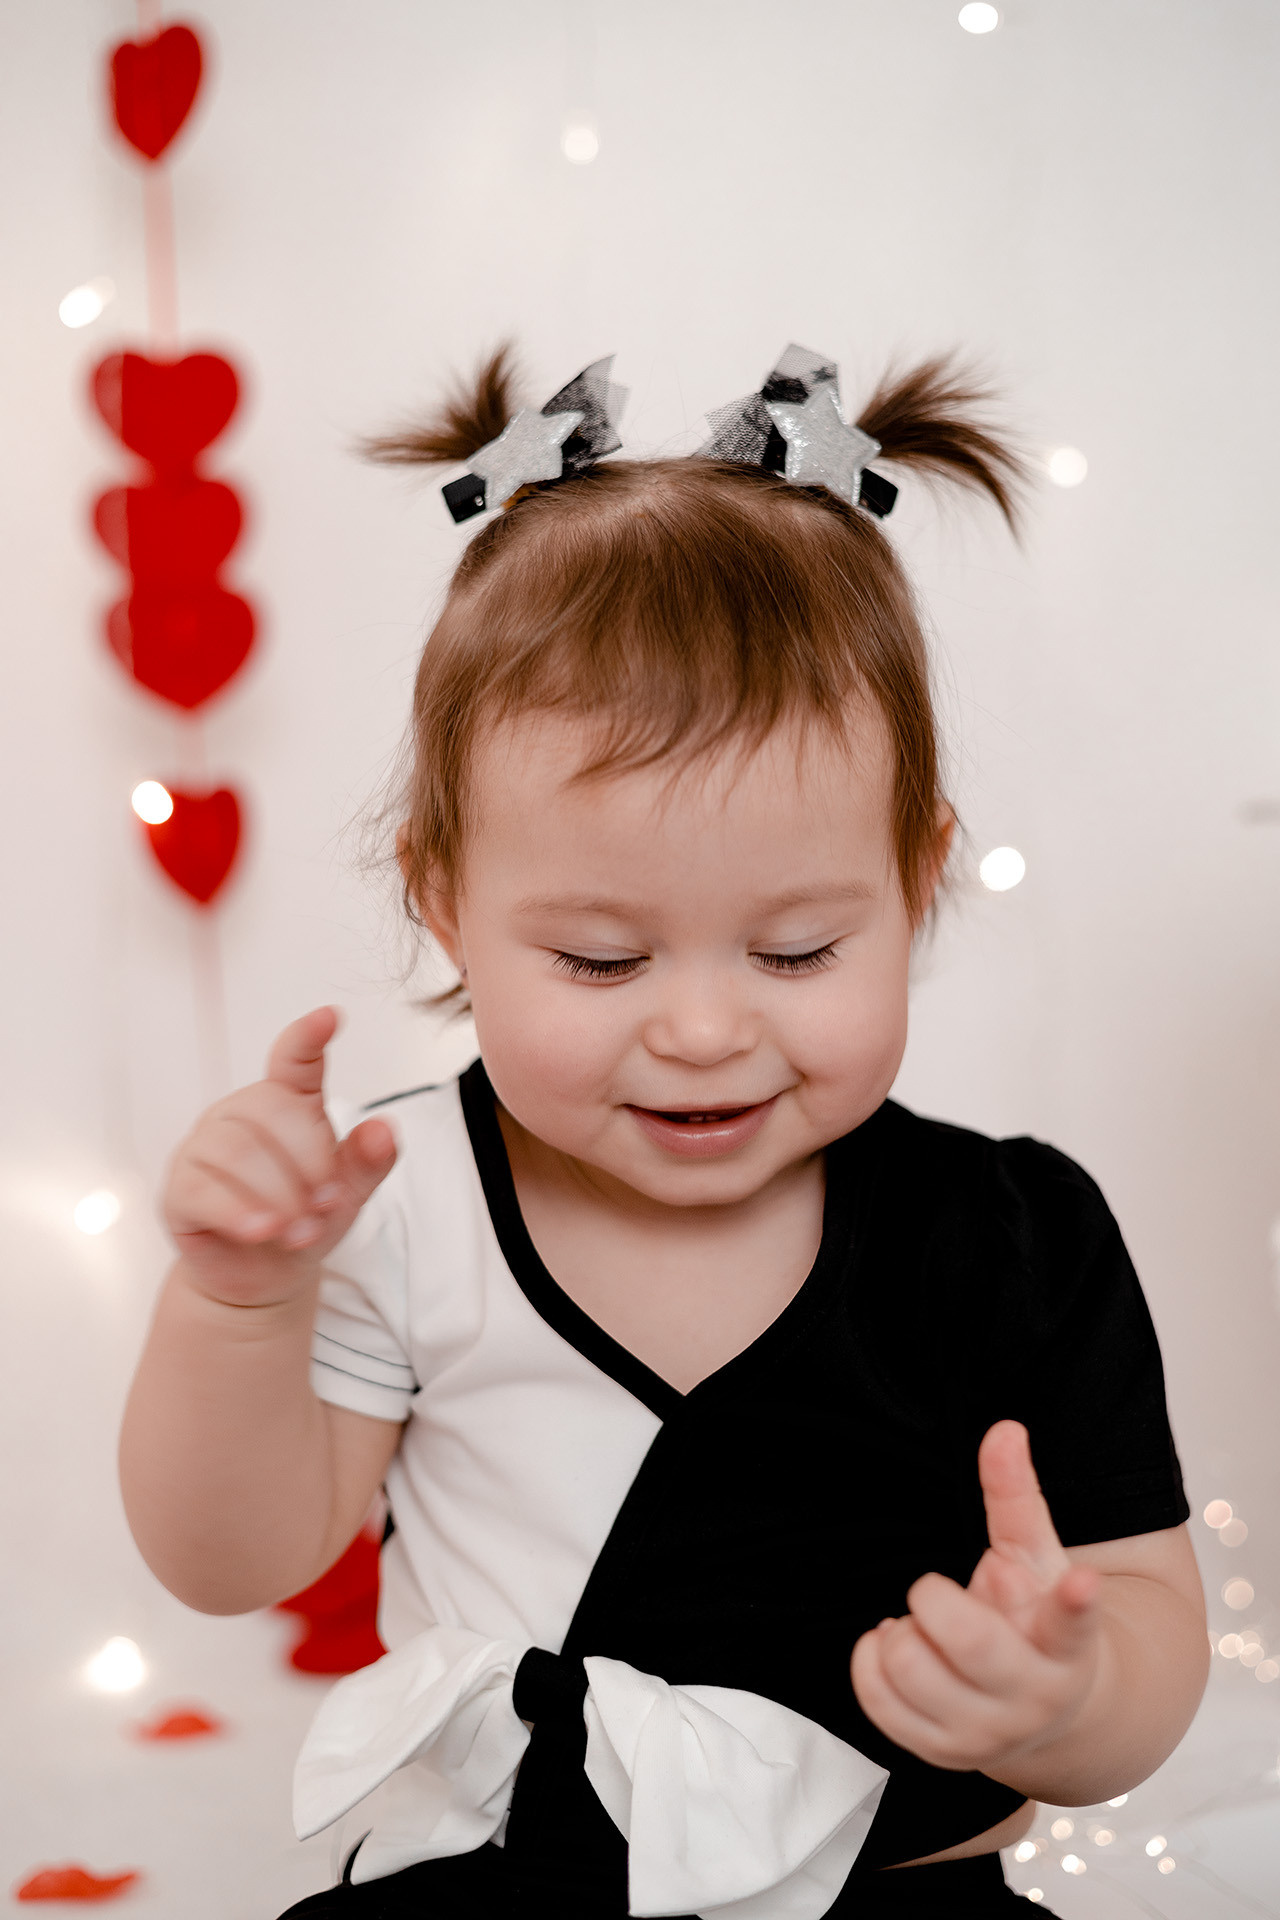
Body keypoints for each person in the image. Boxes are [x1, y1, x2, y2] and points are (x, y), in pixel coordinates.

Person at [118, 344, 1208, 1919]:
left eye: (795, 952)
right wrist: (235, 1306)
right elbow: (239, 1561)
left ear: (916, 879)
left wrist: (1070, 1697)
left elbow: (1145, 1607)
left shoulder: (1011, 1235)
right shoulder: (402, 1198)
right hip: (505, 1883)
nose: (703, 1030)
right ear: (444, 901)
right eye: (603, 960)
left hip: (901, 1888)